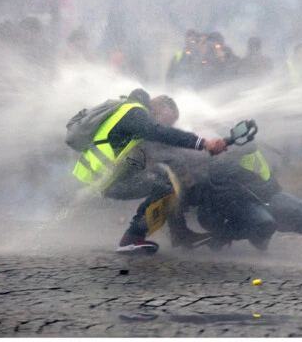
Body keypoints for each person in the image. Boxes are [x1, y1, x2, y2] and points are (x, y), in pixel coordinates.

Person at [70, 90, 227, 252]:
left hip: (99, 174)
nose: (167, 126)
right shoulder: (136, 113)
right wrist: (203, 143)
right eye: (166, 122)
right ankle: (132, 238)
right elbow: (161, 133)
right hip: (102, 178)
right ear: (157, 111)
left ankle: (180, 234)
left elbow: (164, 148)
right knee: (166, 186)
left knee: (164, 176)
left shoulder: (129, 111)